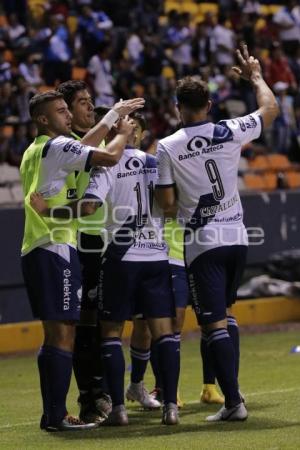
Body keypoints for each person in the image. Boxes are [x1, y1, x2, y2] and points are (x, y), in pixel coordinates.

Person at [31, 112, 180, 426]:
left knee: (111, 333)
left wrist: (49, 210)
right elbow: (171, 205)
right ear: (134, 134)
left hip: (120, 257)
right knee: (163, 333)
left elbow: (87, 207)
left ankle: (118, 411)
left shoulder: (106, 165)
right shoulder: (155, 162)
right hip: (156, 255)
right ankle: (171, 407)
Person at [154, 44, 279, 422]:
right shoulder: (230, 129)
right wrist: (256, 77)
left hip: (202, 243)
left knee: (213, 325)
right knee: (226, 315)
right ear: (209, 105)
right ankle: (232, 397)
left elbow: (166, 204)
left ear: (178, 107)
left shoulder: (167, 147)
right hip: (237, 238)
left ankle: (234, 404)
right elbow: (271, 110)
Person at [20, 90, 144, 431]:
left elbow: (84, 147)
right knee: (63, 333)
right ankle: (58, 416)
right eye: (61, 111)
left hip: (43, 245)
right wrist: (121, 130)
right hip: (54, 245)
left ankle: (54, 414)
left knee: (58, 333)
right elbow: (105, 156)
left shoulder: (38, 150)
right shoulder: (57, 146)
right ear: (44, 119)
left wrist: (110, 117)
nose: (69, 116)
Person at [56, 80, 112, 422]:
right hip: (81, 242)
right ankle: (90, 397)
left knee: (107, 322)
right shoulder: (67, 145)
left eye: (91, 101)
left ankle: (108, 392)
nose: (90, 107)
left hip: (109, 240)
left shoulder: (98, 141)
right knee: (85, 322)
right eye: (82, 103)